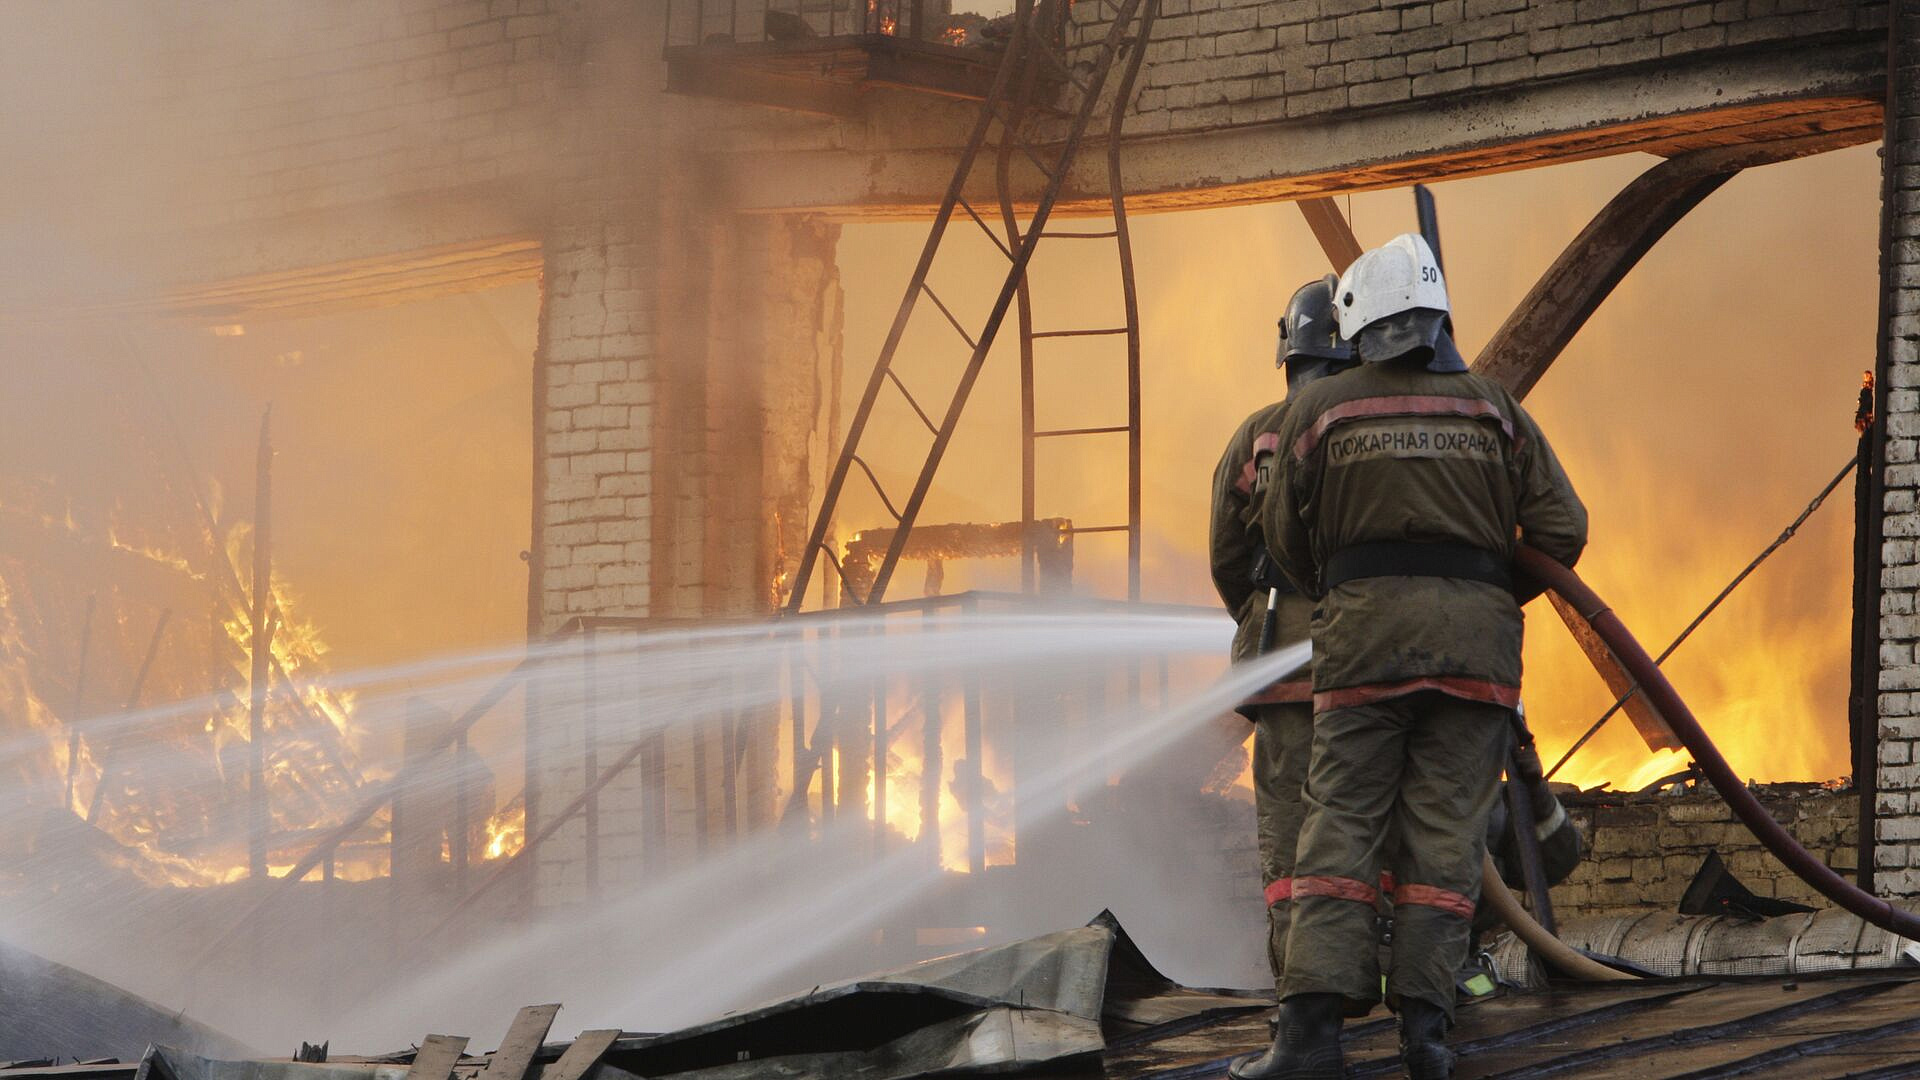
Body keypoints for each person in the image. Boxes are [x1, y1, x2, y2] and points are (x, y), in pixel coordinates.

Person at [1236, 234, 1587, 1080]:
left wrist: (1359, 582)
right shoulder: (1494, 407)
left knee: (1341, 826)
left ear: (1360, 321)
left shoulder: (1318, 412)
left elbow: (1283, 538)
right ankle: (1428, 1039)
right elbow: (1563, 532)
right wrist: (1479, 591)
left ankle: (1309, 1042)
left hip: (1361, 651)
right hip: (1479, 658)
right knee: (1446, 846)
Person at [1209, 275, 1358, 1007]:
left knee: (1291, 834)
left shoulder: (1257, 435)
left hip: (1282, 661)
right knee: (1367, 815)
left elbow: (1226, 559)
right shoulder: (1365, 425)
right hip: (1366, 661)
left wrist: (1267, 619)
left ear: (1288, 357)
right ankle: (1383, 974)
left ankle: (1303, 992)